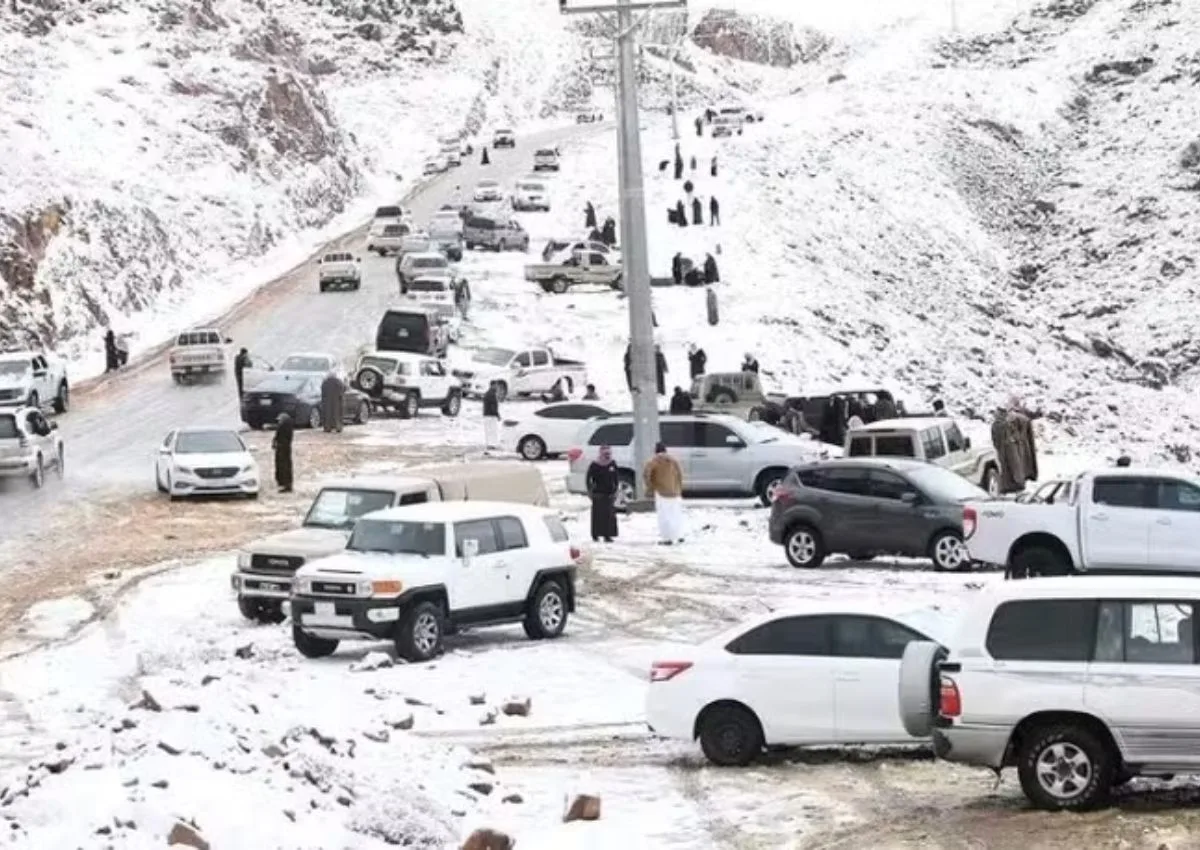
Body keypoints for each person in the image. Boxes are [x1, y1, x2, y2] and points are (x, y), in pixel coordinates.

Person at [644, 442, 685, 545]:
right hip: (675, 492)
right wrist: (679, 487)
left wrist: (650, 487)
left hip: (662, 492)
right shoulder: (674, 460)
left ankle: (667, 538)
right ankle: (679, 535)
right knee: (676, 515)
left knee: (664, 516)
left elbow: (646, 474)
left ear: (655, 450)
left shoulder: (654, 461)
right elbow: (680, 474)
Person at [586, 446, 620, 542]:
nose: (607, 456)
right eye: (605, 454)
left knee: (609, 516)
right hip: (598, 493)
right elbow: (588, 478)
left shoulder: (612, 464)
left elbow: (616, 478)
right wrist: (589, 490)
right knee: (597, 515)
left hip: (609, 494)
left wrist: (616, 489)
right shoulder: (594, 465)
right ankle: (595, 534)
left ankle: (607, 535)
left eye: (608, 454)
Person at [273, 412, 294, 493]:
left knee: (284, 466)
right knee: (281, 466)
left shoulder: (285, 427)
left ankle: (286, 484)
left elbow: (285, 439)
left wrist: (279, 445)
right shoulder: (282, 427)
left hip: (283, 449)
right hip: (281, 449)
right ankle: (282, 483)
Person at [482, 381, 501, 452]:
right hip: (491, 415)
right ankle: (492, 444)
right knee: (492, 430)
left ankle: (489, 444)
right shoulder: (491, 394)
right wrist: (497, 414)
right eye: (496, 385)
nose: (497, 387)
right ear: (492, 385)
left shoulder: (487, 393)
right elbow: (493, 406)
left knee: (488, 430)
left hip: (487, 414)